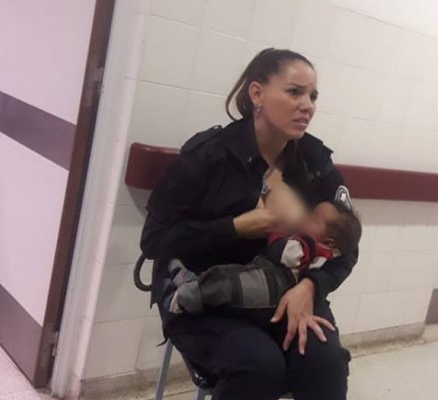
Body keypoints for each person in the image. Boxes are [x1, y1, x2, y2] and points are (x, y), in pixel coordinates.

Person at [141, 48, 358, 400]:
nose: (308, 105)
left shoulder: (315, 160)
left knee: (326, 361)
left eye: (313, 96)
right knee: (258, 365)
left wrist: (311, 288)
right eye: (294, 92)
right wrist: (238, 226)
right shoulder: (209, 156)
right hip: (208, 293)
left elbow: (346, 242)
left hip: (286, 291)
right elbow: (154, 241)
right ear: (256, 94)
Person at [167, 201, 362, 319]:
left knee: (225, 282)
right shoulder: (329, 253)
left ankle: (186, 295)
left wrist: (275, 231)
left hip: (270, 285)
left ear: (328, 241)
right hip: (271, 288)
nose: (303, 217)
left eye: (312, 219)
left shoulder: (309, 245)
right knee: (227, 280)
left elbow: (282, 253)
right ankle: (191, 282)